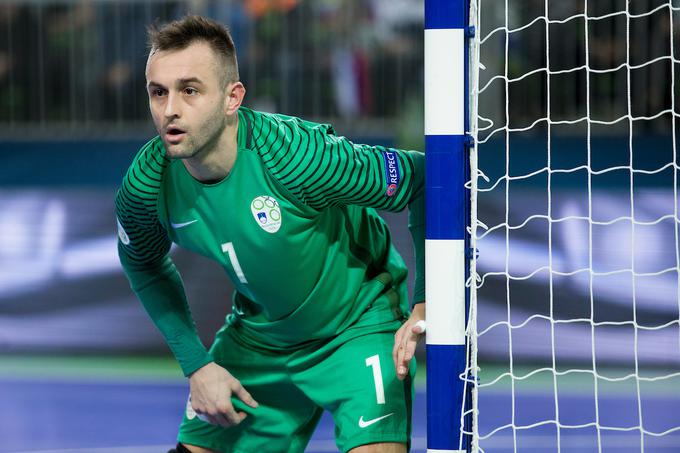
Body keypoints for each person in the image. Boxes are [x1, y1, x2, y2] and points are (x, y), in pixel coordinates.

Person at [115, 15, 425, 453]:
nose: (170, 110)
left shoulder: (295, 157)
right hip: (260, 337)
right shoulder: (148, 185)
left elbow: (423, 179)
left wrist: (425, 299)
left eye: (190, 90)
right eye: (158, 92)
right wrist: (197, 365)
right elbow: (142, 264)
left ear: (232, 98)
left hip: (355, 326)